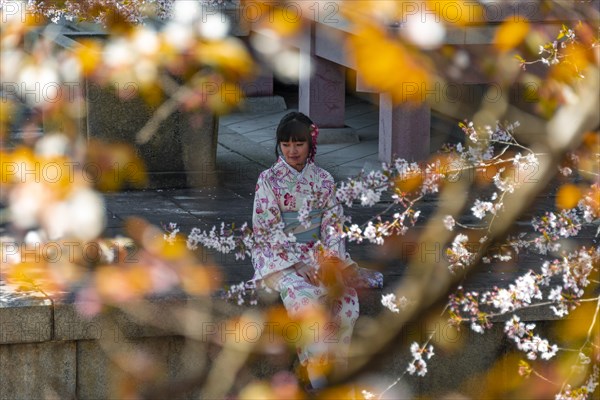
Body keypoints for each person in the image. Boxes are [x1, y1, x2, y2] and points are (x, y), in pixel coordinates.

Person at [251, 111, 382, 390]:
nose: (292, 151)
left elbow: (333, 225)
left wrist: (328, 262)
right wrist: (298, 264)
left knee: (346, 304)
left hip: (319, 253)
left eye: (298, 144)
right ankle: (322, 383)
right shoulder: (268, 180)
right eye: (285, 144)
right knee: (306, 306)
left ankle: (337, 374)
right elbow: (267, 226)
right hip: (282, 257)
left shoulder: (323, 180)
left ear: (311, 144)